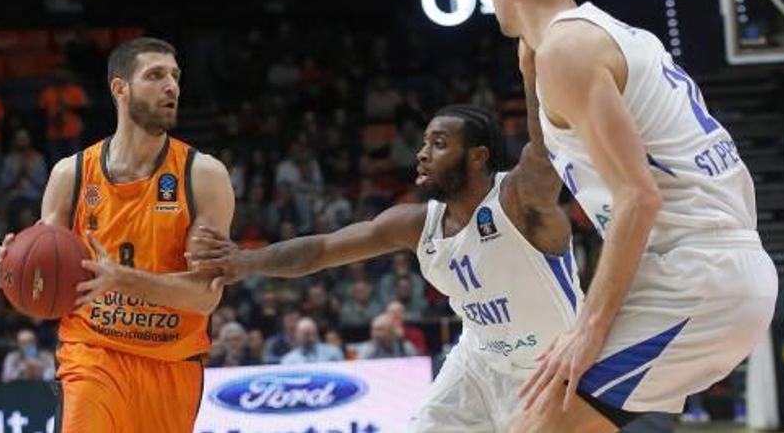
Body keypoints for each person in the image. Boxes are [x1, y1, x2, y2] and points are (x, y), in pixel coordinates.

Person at [482, 0, 778, 432]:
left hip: (695, 275)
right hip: (710, 268)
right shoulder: (604, 39)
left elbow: (639, 199)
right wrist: (530, 74)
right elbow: (548, 159)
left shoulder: (567, 51)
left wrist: (588, 328)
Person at [190, 78, 581, 431]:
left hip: (552, 369)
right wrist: (248, 261)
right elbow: (323, 249)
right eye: (425, 142)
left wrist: (532, 65)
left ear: (477, 157)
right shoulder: (415, 224)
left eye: (439, 144)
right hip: (478, 362)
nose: (423, 154)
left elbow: (544, 150)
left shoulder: (516, 202)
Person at [0, 37, 234, 433]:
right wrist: (16, 268)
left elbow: (204, 296)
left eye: (175, 76)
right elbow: (45, 278)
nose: (171, 86)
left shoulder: (202, 175)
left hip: (171, 364)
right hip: (92, 355)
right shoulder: (70, 175)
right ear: (119, 88)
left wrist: (121, 279)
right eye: (155, 76)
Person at [280, 317, 344, 365]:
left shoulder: (333, 353)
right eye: (306, 335)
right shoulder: (289, 361)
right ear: (297, 335)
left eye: (314, 334)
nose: (311, 338)